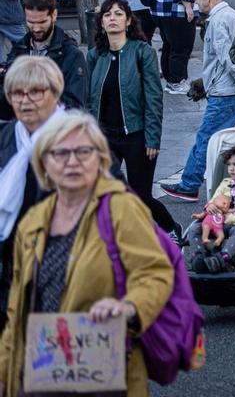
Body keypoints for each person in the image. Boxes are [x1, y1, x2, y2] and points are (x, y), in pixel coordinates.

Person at [0, 111, 175, 397]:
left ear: (100, 159)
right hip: (41, 354)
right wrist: (5, 367)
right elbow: (17, 302)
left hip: (100, 351)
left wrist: (130, 307)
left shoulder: (120, 209)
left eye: (82, 151)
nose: (71, 162)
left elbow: (154, 272)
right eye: (60, 153)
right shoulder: (34, 220)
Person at [85, 0, 175, 235]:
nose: (112, 18)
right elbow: (89, 101)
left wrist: (152, 138)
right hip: (105, 137)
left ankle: (171, 229)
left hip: (136, 136)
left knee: (140, 196)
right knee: (103, 194)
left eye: (118, 14)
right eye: (107, 15)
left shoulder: (142, 52)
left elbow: (154, 98)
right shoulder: (95, 56)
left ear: (127, 21)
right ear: (101, 23)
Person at [161, 0, 235, 202]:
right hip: (230, 89)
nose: (194, 0)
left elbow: (227, 57)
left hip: (225, 90)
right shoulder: (228, 16)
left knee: (206, 138)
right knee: (231, 139)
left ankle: (189, 184)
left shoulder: (219, 20)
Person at [0, 57, 67, 331]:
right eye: (17, 93)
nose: (25, 101)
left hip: (64, 268)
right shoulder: (5, 136)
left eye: (35, 92)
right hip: (12, 266)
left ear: (55, 92)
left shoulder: (77, 138)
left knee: (62, 364)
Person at [0, 0, 87, 116]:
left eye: (42, 22)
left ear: (54, 15)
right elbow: (5, 108)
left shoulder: (72, 55)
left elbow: (75, 108)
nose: (36, 28)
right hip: (22, 131)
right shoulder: (19, 48)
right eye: (30, 22)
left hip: (54, 132)